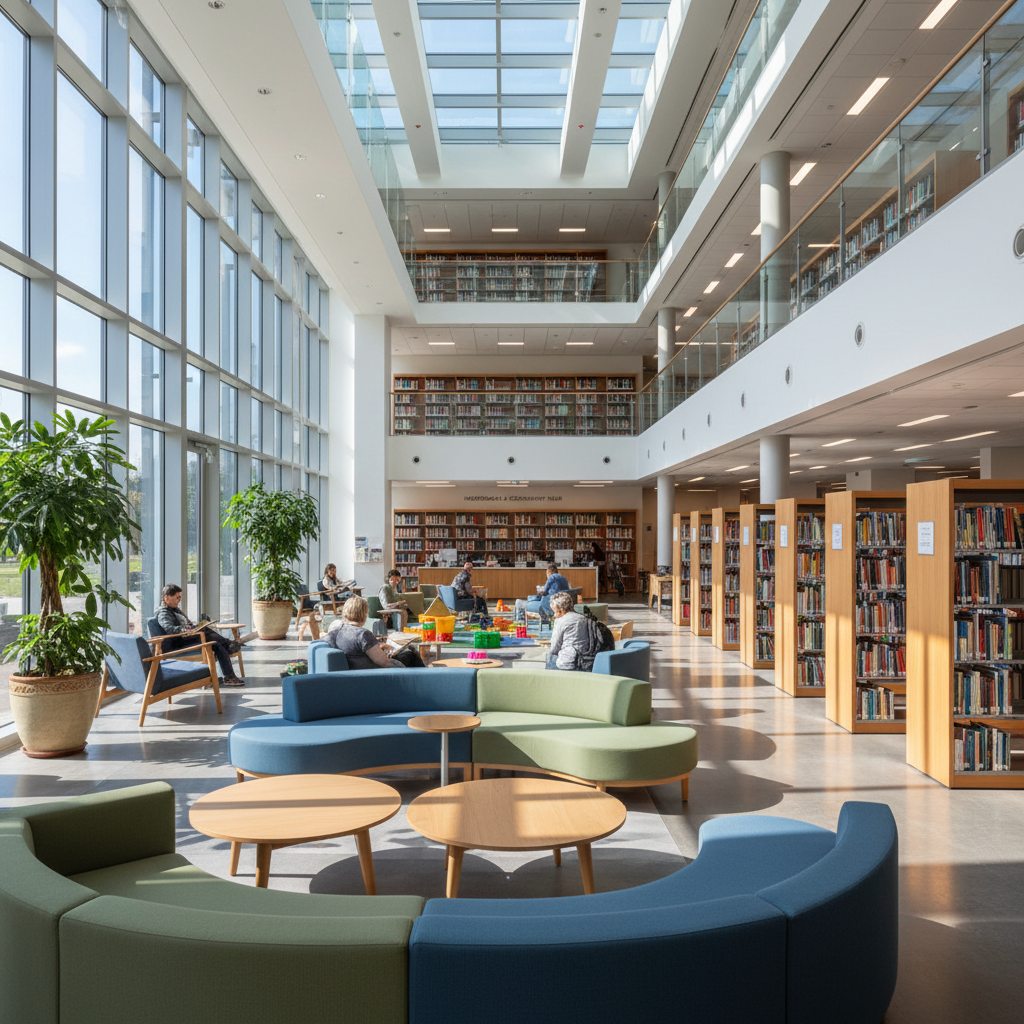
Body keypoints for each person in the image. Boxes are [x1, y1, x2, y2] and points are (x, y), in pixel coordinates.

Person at [155, 584, 244, 687]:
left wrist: (193, 627)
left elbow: (185, 623)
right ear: (166, 598)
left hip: (183, 638)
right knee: (213, 642)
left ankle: (228, 668)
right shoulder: (163, 613)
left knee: (210, 637)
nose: (179, 600)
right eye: (177, 597)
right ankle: (229, 649)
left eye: (180, 597)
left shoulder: (174, 610)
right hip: (177, 644)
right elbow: (169, 629)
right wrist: (184, 629)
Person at [324, 596, 424, 669]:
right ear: (364, 614)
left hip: (356, 671)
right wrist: (401, 667)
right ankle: (425, 681)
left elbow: (355, 649)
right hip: (373, 674)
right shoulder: (363, 634)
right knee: (410, 653)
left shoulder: (337, 631)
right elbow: (385, 663)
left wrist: (378, 646)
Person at [545, 591, 599, 671]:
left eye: (555, 612)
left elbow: (554, 648)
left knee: (549, 655)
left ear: (561, 609)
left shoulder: (561, 620)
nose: (554, 615)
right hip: (587, 663)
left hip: (569, 664)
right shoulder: (584, 619)